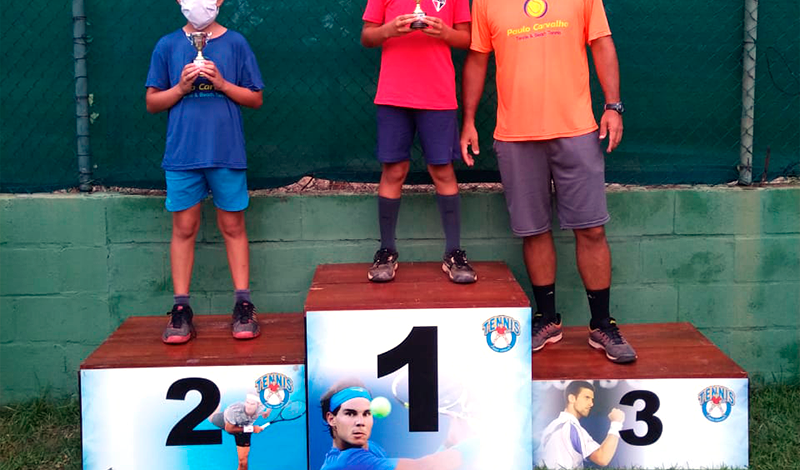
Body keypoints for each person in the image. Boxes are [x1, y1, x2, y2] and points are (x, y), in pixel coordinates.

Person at [459, 0, 637, 363]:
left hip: (577, 130)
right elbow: (477, 59)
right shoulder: (487, 3)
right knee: (534, 230)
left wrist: (613, 106)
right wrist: (469, 121)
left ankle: (602, 324)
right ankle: (547, 319)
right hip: (515, 135)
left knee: (592, 229)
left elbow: (602, 43)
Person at [145, 0, 264, 343]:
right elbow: (152, 102)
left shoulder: (236, 43)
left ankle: (243, 304)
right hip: (183, 155)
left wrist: (223, 83)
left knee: (233, 226)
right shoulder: (167, 45)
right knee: (184, 228)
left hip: (227, 153)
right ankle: (181, 309)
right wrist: (180, 89)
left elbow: (255, 98)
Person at [360, 0, 477, 284]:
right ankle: (387, 251)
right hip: (393, 96)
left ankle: (453, 253)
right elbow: (367, 36)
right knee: (394, 170)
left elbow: (465, 39)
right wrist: (389, 29)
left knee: (443, 170)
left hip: (438, 96)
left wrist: (444, 32)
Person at [319, 380, 475, 470]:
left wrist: (450, 442)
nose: (360, 422)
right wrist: (480, 442)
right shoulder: (349, 462)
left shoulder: (369, 448)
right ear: (331, 419)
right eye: (350, 413)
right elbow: (424, 467)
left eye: (366, 413)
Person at [538, 381, 624, 468]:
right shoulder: (570, 427)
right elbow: (602, 458)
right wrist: (616, 423)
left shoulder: (551, 427)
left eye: (592, 399)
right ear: (572, 398)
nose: (591, 403)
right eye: (587, 397)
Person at [209, 394, 273, 470]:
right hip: (226, 422)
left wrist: (267, 412)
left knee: (243, 462)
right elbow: (229, 429)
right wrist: (252, 429)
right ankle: (217, 399)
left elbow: (271, 402)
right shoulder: (233, 410)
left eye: (252, 404)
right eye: (247, 402)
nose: (248, 406)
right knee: (211, 418)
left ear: (258, 405)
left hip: (244, 429)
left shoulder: (261, 407)